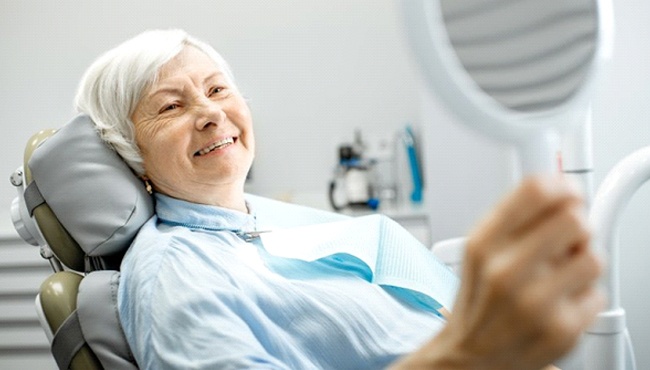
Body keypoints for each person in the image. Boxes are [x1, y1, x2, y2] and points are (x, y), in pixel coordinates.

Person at [74, 29, 604, 370]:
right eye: (170, 107)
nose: (210, 114)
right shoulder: (175, 273)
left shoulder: (255, 220)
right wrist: (472, 351)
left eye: (217, 90)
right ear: (131, 153)